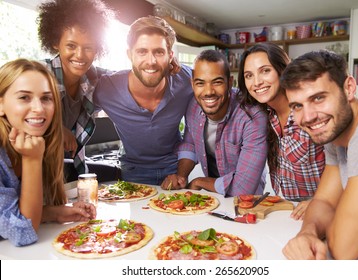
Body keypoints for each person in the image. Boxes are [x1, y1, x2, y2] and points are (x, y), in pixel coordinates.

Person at [281, 50, 358, 259]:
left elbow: (343, 248)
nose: (309, 117)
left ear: (348, 88)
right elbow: (324, 202)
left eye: (318, 98)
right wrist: (307, 233)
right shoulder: (335, 134)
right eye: (297, 106)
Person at [0, 59, 96, 247]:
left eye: (46, 98)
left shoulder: (37, 141)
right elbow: (24, 233)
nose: (39, 108)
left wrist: (54, 212)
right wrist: (32, 160)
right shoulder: (32, 152)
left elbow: (11, 215)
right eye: (24, 97)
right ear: (1, 105)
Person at [93, 16, 193, 185]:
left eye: (159, 52)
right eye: (142, 51)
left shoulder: (186, 79)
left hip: (175, 169)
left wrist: (181, 175)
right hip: (133, 172)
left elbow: (219, 85)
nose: (151, 62)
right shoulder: (107, 88)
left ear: (170, 56)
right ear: (129, 54)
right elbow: (71, 94)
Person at [160, 49, 268, 197]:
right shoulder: (193, 105)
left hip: (247, 203)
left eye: (217, 82)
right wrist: (181, 176)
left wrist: (199, 182)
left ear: (230, 83)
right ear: (192, 84)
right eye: (200, 83)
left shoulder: (252, 115)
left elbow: (244, 187)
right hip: (211, 197)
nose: (208, 91)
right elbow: (190, 144)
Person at [238, 42, 325, 219]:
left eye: (265, 71)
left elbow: (346, 166)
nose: (257, 82)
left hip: (325, 209)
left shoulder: (310, 111)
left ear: (282, 70)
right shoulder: (265, 116)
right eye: (249, 75)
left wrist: (321, 200)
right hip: (288, 211)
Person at [36, 0, 115, 177]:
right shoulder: (37, 73)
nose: (80, 55)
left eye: (88, 48)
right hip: (17, 169)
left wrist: (170, 66)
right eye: (71, 46)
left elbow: (131, 77)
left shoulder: (95, 78)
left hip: (54, 169)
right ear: (56, 42)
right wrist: (56, 128)